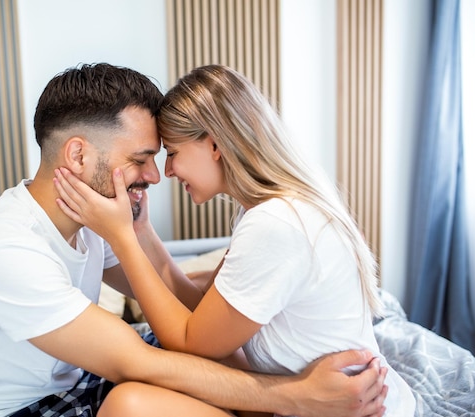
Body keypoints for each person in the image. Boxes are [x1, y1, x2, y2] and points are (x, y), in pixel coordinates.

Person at [0, 62, 388, 417]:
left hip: (72, 386)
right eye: (142, 158)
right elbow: (142, 361)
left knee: (210, 353)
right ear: (77, 155)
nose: (156, 176)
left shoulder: (93, 223)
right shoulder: (4, 248)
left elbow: (180, 307)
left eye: (166, 155)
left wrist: (136, 230)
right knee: (136, 397)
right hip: (16, 410)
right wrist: (294, 397)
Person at [53, 64, 413, 416]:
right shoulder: (268, 210)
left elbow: (189, 342)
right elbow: (207, 317)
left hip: (345, 406)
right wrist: (141, 230)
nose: (167, 171)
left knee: (128, 403)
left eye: (174, 153)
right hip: (332, 396)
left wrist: (121, 239)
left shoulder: (275, 224)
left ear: (213, 144)